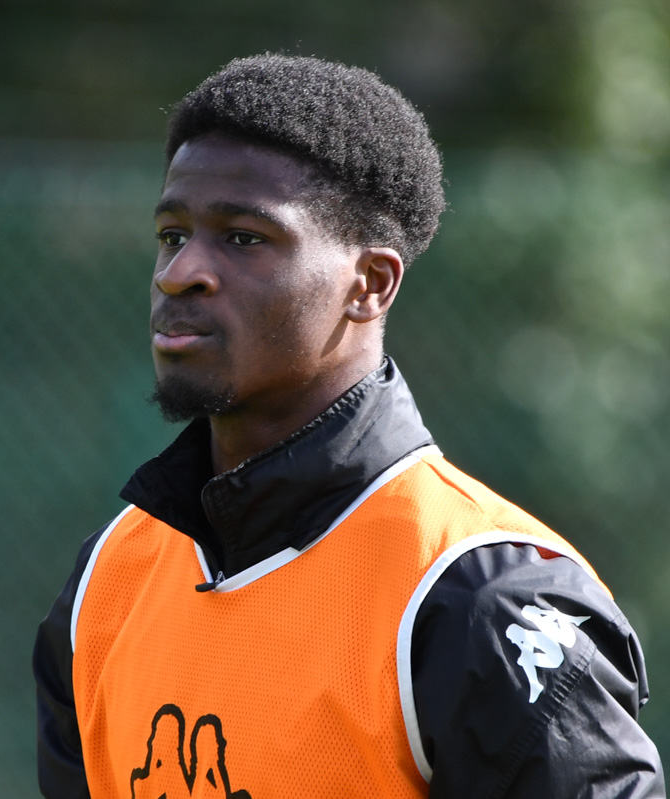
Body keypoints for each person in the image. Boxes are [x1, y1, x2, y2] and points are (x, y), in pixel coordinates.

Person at [33, 53, 665, 799]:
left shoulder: (482, 600)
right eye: (173, 235)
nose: (180, 273)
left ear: (370, 284)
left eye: (243, 238)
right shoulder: (107, 582)